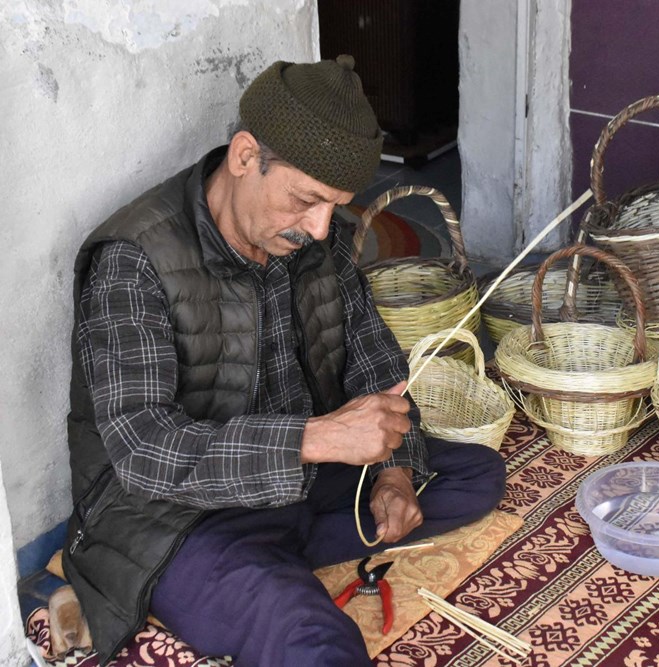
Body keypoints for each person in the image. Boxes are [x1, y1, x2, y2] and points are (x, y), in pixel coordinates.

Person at [64, 56, 507, 665]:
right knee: (315, 642)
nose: (320, 229)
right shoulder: (135, 258)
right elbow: (143, 451)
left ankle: (268, 569)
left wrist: (394, 473)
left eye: (335, 205)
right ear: (246, 156)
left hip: (295, 479)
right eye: (305, 201)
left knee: (474, 475)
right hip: (176, 518)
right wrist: (318, 437)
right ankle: (255, 579)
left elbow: (376, 362)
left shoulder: (314, 241)